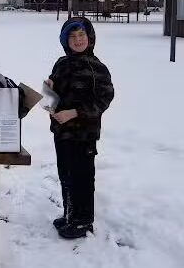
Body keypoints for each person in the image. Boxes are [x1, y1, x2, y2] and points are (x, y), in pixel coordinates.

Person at [45, 17, 114, 239]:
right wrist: (50, 89)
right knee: (66, 173)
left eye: (81, 35)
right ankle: (69, 214)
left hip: (83, 134)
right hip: (62, 132)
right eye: (72, 37)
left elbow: (104, 99)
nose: (77, 40)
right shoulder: (61, 63)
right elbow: (56, 93)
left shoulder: (97, 68)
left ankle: (83, 221)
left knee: (82, 176)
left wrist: (74, 113)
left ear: (90, 37)